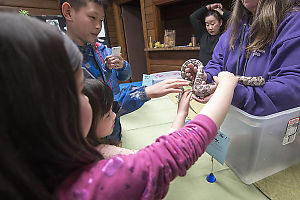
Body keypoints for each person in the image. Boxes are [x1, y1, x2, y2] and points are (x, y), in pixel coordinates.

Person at [0, 12, 239, 199]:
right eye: (80, 91)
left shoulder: (33, 167)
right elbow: (168, 156)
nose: (88, 99)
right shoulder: (97, 184)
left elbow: (124, 78)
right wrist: (227, 86)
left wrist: (180, 113)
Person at [60, 0, 190, 144]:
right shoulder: (64, 60)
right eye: (92, 17)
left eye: (101, 20)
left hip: (114, 129)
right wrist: (145, 92)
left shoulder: (102, 50)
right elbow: (100, 108)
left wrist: (122, 66)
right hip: (91, 142)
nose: (98, 26)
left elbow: (125, 76)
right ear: (68, 12)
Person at [186, 0, 300, 116]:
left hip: (269, 124)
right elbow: (217, 63)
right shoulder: (236, 26)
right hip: (232, 117)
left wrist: (232, 92)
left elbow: (292, 89)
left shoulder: (292, 23)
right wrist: (207, 76)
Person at [83, 78, 194, 159]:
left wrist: (146, 92)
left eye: (112, 109)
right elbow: (161, 156)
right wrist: (181, 114)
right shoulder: (106, 155)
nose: (114, 115)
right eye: (107, 115)